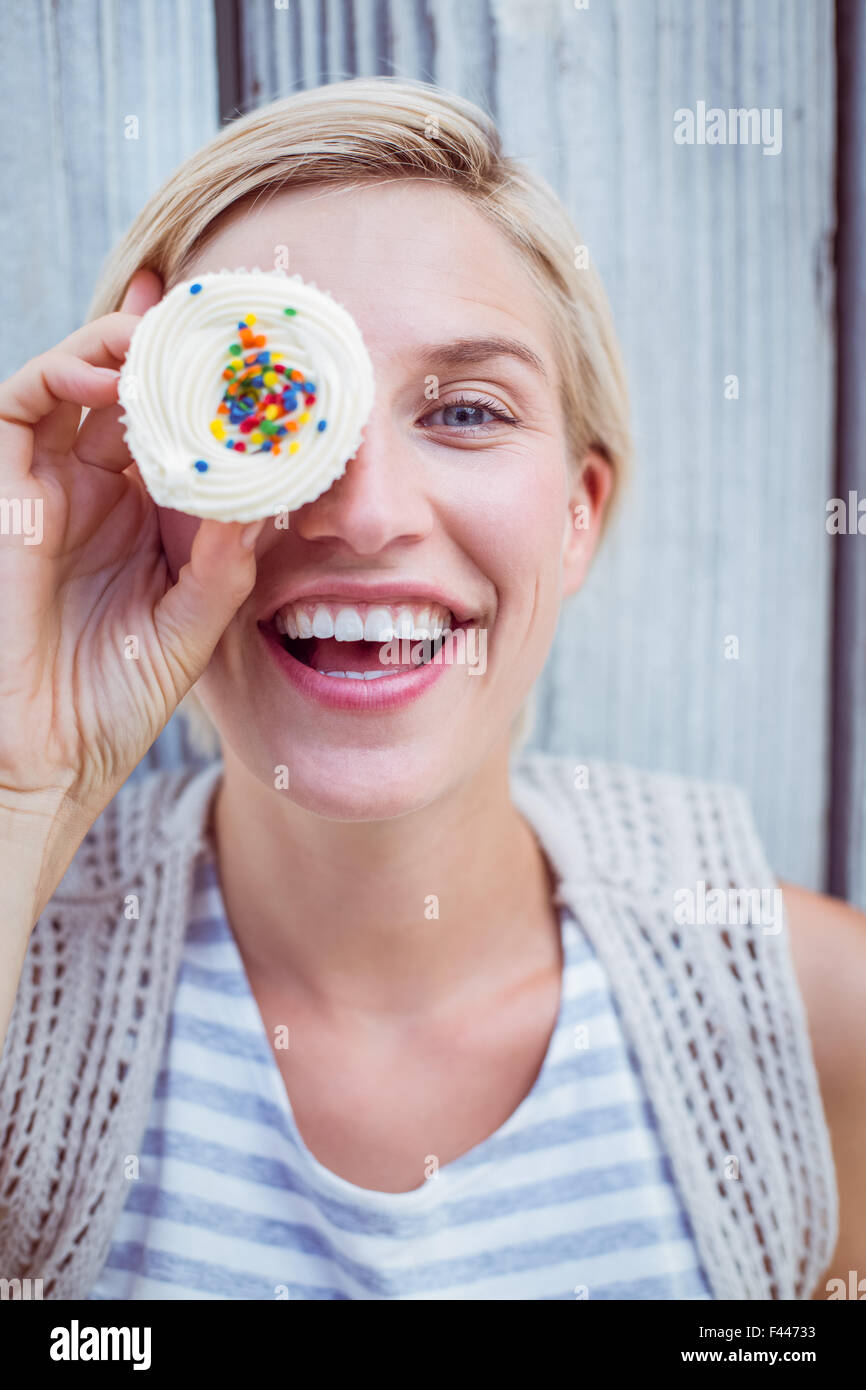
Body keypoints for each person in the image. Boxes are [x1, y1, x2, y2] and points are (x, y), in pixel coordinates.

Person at [0, 77, 862, 1302]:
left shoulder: (822, 1030)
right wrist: (19, 790)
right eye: (263, 403)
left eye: (463, 410)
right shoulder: (17, 974)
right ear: (143, 487)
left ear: (577, 515)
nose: (363, 512)